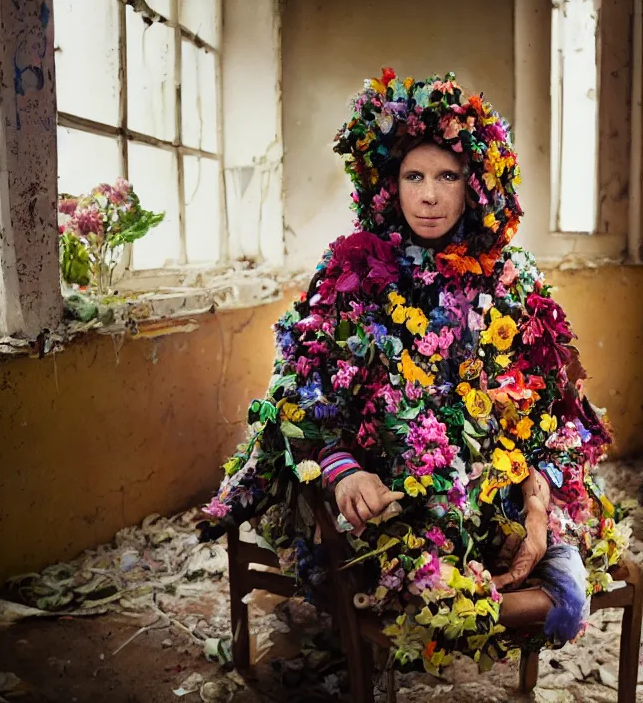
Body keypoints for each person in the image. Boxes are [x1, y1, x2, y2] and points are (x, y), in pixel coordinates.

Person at [200, 70, 630, 674]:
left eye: (448, 176)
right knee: (407, 571)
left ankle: (532, 571)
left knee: (540, 554)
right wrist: (345, 471)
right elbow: (299, 392)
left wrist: (537, 508)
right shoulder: (354, 271)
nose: (429, 196)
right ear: (389, 185)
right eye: (414, 176)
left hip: (494, 486)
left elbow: (552, 417)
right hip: (393, 492)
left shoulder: (514, 281)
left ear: (475, 185)